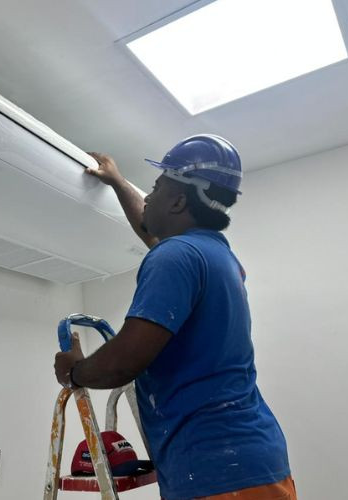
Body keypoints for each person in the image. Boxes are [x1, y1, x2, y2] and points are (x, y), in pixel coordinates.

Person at [54, 135, 296, 500]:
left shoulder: (177, 257)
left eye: (156, 188)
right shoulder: (216, 256)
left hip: (216, 470)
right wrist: (117, 182)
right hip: (250, 461)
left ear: (179, 201)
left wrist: (74, 371)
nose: (148, 197)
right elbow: (152, 231)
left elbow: (123, 362)